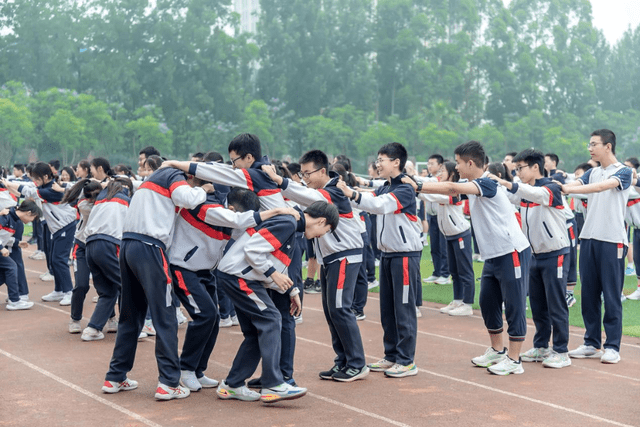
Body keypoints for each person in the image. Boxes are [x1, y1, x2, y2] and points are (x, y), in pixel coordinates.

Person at [415, 140, 531, 376]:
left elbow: (450, 189)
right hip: (493, 254)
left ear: (470, 163)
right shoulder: (472, 183)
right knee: (488, 302)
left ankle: (515, 359)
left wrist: (416, 184)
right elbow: (450, 191)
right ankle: (498, 351)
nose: (456, 168)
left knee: (514, 305)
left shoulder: (488, 182)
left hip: (512, 251)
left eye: (458, 163)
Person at [169, 181, 298, 392]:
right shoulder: (208, 206)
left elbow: (247, 236)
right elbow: (237, 220)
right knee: (206, 315)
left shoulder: (232, 216)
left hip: (206, 270)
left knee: (213, 319)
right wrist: (277, 210)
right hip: (183, 268)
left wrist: (290, 287)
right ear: (232, 208)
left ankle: (198, 370)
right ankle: (186, 368)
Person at [215, 199, 338, 402]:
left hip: (239, 276)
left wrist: (291, 291)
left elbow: (274, 264)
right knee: (272, 319)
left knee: (256, 332)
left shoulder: (292, 227)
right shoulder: (288, 223)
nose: (321, 236)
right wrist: (274, 274)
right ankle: (273, 384)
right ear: (321, 221)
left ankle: (232, 384)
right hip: (238, 277)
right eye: (325, 231)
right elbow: (253, 250)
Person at [102, 165, 207, 401]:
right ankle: (169, 382)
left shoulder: (149, 182)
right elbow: (187, 198)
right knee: (166, 315)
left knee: (130, 316)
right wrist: (203, 190)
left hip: (128, 246)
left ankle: (115, 376)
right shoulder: (173, 176)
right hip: (150, 248)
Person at [262, 150, 368, 382]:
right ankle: (343, 361)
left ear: (322, 171)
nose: (305, 177)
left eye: (308, 173)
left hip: (344, 256)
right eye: (302, 173)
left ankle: (357, 363)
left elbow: (306, 195)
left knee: (340, 309)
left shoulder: (333, 192)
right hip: (330, 258)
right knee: (332, 312)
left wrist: (281, 180)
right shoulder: (321, 193)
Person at [338, 142, 422, 378]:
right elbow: (368, 198)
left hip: (405, 255)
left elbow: (378, 205)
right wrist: (346, 191)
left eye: (382, 159)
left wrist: (352, 193)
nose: (378, 163)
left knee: (404, 309)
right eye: (377, 159)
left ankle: (406, 361)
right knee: (388, 310)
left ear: (396, 162)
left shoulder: (405, 189)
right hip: (387, 254)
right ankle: (392, 355)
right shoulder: (386, 187)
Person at [493, 149, 571, 369]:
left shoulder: (551, 187)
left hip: (555, 253)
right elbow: (508, 196)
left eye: (520, 168)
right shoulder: (525, 191)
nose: (517, 173)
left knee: (556, 304)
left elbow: (534, 194)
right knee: (537, 304)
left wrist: (507, 182)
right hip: (534, 255)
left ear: (535, 167)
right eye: (515, 170)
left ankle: (562, 350)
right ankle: (541, 345)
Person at [561, 129, 632, 364]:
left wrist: (569, 189)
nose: (590, 148)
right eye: (589, 144)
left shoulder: (623, 172)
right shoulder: (592, 172)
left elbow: (601, 188)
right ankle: (591, 342)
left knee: (611, 295)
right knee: (589, 294)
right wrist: (557, 184)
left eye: (594, 144)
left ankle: (612, 346)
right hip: (589, 238)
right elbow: (576, 182)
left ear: (608, 146)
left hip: (612, 240)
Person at [3, 163, 78, 306]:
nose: (35, 182)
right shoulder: (43, 187)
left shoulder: (52, 189)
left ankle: (69, 292)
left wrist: (7, 183)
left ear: (45, 176)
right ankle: (59, 290)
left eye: (36, 179)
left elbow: (29, 191)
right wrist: (9, 184)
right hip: (56, 228)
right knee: (53, 260)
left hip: (66, 227)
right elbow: (28, 188)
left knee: (59, 260)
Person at [415, 161, 475, 316]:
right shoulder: (441, 188)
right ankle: (457, 300)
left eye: (442, 171)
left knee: (465, 271)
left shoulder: (455, 191)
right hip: (449, 235)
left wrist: (416, 190)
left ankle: (467, 304)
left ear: (451, 173)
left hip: (461, 234)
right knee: (454, 271)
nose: (439, 173)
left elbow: (436, 197)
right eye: (439, 171)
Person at [82, 178, 134, 341]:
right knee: (130, 285)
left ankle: (93, 328)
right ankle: (138, 326)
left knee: (108, 291)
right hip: (109, 244)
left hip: (90, 246)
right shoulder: (126, 200)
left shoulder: (100, 199)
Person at [61, 179, 103, 334]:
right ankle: (75, 318)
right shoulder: (84, 205)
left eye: (96, 196)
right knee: (82, 285)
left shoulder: (104, 202)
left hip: (100, 247)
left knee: (104, 285)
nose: (93, 200)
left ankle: (111, 318)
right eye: (91, 197)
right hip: (83, 247)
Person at [0, 200, 41, 310]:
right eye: (33, 218)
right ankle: (14, 301)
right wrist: (1, 248)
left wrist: (17, 243)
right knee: (11, 266)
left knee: (4, 275)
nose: (31, 221)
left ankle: (14, 299)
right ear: (28, 213)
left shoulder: (14, 219)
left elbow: (4, 236)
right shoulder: (6, 216)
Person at [422, 154, 451, 285]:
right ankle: (437, 272)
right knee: (434, 246)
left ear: (440, 165)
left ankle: (445, 274)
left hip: (442, 216)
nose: (429, 166)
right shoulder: (428, 179)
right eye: (428, 164)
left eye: (432, 163)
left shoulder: (440, 181)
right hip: (431, 215)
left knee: (443, 246)